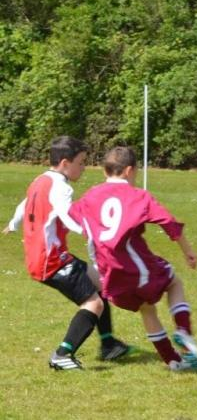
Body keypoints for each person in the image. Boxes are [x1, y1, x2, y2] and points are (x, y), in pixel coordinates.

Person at [68, 146, 197, 371]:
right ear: (130, 170)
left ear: (104, 171)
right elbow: (168, 222)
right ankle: (183, 330)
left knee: (146, 308)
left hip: (109, 274)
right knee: (174, 283)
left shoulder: (90, 195)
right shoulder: (138, 196)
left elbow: (71, 216)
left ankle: (173, 361)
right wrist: (188, 251)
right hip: (137, 267)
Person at [3, 136, 130, 371]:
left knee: (101, 284)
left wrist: (13, 223)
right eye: (81, 163)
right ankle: (62, 354)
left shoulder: (41, 180)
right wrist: (93, 233)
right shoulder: (62, 188)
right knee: (94, 304)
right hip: (50, 261)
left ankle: (108, 344)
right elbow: (67, 216)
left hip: (48, 257)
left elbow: (24, 204)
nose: (83, 168)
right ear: (64, 163)